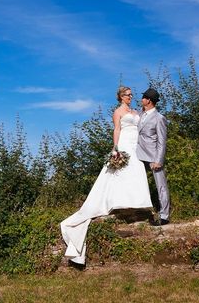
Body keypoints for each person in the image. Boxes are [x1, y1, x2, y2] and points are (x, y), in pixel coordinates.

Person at [60, 86, 153, 265]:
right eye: (127, 95)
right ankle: (119, 203)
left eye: (131, 94)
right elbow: (117, 129)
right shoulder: (118, 112)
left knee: (136, 171)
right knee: (122, 173)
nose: (130, 97)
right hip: (125, 142)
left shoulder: (135, 111)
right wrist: (116, 148)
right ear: (120, 97)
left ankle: (137, 203)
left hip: (137, 145)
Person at [137, 88, 171, 226]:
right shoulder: (140, 114)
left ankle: (164, 216)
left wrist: (159, 160)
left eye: (143, 97)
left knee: (161, 185)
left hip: (153, 156)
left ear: (148, 100)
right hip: (138, 154)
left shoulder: (159, 118)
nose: (141, 99)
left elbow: (162, 141)